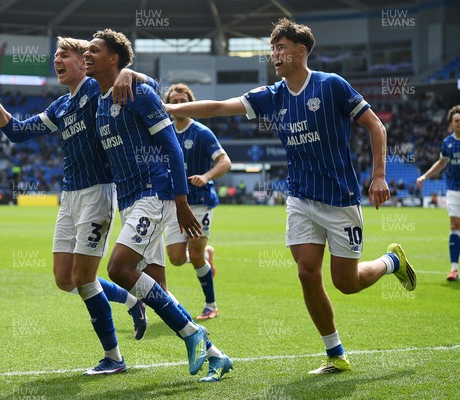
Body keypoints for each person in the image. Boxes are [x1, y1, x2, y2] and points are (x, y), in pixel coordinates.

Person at [165, 18, 416, 375]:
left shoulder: (332, 86)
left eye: (281, 48)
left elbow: (376, 125)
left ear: (301, 51)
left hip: (340, 197)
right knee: (306, 273)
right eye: (273, 49)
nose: (275, 54)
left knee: (346, 283)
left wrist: (378, 175)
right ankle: (335, 354)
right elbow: (220, 107)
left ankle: (391, 262)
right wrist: (175, 110)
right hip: (299, 198)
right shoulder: (272, 95)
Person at [0, 36, 152, 376]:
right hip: (69, 197)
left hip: (98, 192)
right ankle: (132, 301)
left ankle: (114, 357)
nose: (57, 60)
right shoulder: (61, 106)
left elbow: (137, 82)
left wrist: (130, 73)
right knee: (65, 279)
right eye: (55, 56)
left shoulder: (95, 91)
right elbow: (17, 131)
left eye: (64, 55)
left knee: (84, 279)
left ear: (84, 60)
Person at [84, 29, 233, 382]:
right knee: (157, 290)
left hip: (156, 194)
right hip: (131, 199)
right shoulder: (102, 97)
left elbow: (173, 148)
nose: (87, 55)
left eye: (94, 50)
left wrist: (181, 203)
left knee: (119, 268)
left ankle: (195, 334)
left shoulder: (137, 91)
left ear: (114, 59)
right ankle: (216, 355)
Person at [163, 83, 232, 320]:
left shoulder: (201, 132)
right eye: (174, 101)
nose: (179, 105)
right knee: (176, 259)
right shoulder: (164, 133)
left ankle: (210, 305)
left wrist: (206, 176)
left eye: (184, 101)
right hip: (175, 204)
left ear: (191, 104)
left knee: (194, 253)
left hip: (199, 201)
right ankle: (205, 253)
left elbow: (225, 162)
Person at [417, 105, 460, 281]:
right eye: (457, 121)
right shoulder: (448, 143)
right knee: (454, 225)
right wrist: (425, 176)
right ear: (451, 124)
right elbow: (441, 163)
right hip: (454, 189)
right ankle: (454, 269)